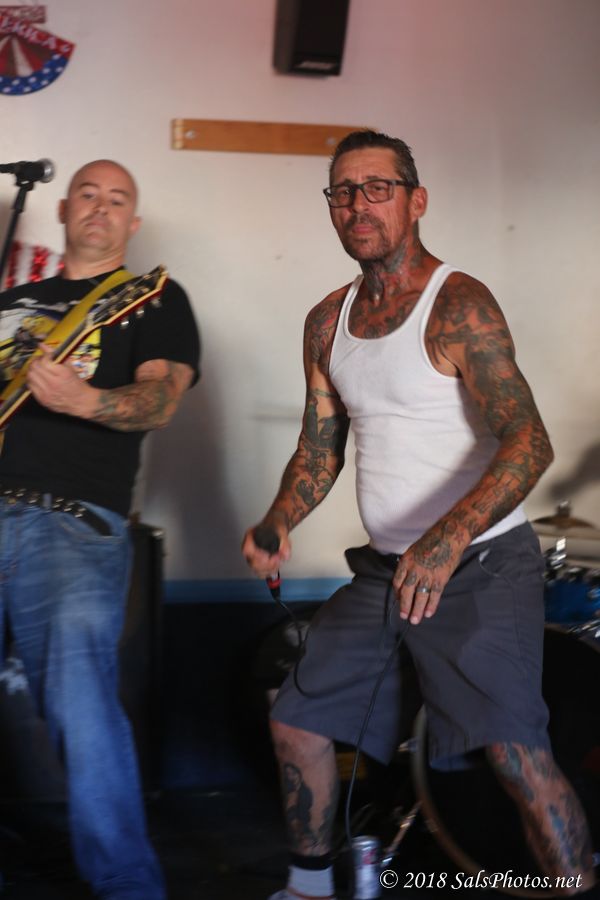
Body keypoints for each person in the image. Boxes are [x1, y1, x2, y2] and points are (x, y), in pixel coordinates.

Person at [242, 130, 596, 899]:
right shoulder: (326, 321)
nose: (358, 205)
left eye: (378, 188)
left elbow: (529, 441)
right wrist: (278, 521)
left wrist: (447, 538)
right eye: (343, 191)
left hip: (481, 564)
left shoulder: (457, 304)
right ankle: (307, 888)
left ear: (416, 200)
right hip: (389, 572)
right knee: (296, 720)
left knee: (515, 755)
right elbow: (319, 449)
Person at [0, 159, 200, 899]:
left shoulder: (152, 300)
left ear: (133, 222)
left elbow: (160, 401)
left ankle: (127, 886)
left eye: (117, 199)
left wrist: (82, 401)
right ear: (61, 209)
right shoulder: (12, 301)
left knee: (80, 706)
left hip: (72, 525)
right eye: (88, 193)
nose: (100, 207)